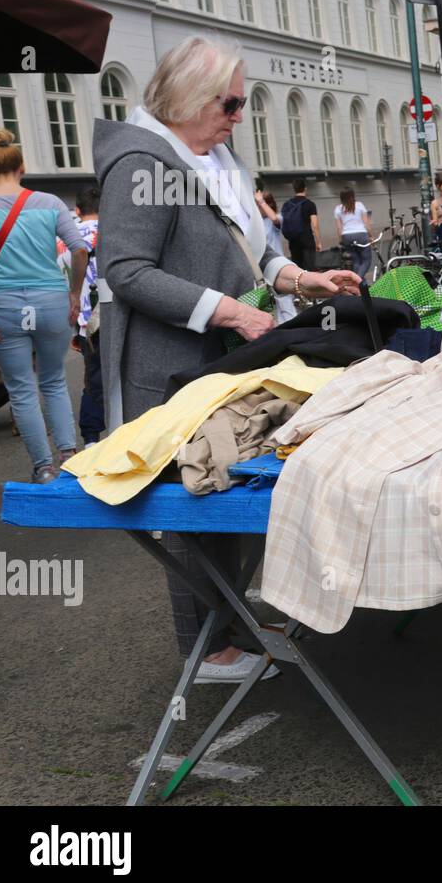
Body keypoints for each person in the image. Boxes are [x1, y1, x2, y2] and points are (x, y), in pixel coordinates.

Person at [94, 36, 360, 682]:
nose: (240, 116)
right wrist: (230, 310)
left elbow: (253, 251)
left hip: (217, 359)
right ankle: (206, 648)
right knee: (190, 498)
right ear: (187, 96)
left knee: (223, 484)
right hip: (170, 363)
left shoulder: (209, 152)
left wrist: (302, 279)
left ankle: (232, 620)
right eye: (231, 103)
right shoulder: (140, 161)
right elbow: (126, 270)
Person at [0, 129, 89, 482]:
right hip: (50, 300)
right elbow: (79, 249)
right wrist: (74, 293)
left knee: (21, 387)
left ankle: (44, 467)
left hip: (0, 304)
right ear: (22, 166)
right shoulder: (50, 202)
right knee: (54, 381)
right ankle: (70, 455)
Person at [56, 184, 105, 446]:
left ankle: (91, 439)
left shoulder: (63, 243)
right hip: (120, 318)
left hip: (86, 324)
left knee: (93, 381)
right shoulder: (116, 233)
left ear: (77, 210)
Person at [256, 188, 297, 321]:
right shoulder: (255, 222)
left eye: (259, 205)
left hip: (279, 269)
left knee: (286, 304)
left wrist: (261, 201)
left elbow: (274, 218)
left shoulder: (276, 218)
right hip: (261, 269)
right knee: (270, 308)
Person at [279, 179, 320, 271]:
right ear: (305, 189)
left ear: (294, 189)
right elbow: (315, 225)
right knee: (309, 268)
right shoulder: (310, 204)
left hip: (293, 240)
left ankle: (299, 285)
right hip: (307, 240)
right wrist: (318, 242)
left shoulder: (287, 204)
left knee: (297, 270)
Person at [334, 185, 373, 278]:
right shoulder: (360, 205)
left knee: (356, 262)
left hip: (346, 237)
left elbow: (339, 228)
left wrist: (341, 240)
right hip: (361, 235)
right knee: (366, 261)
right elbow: (366, 224)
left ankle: (360, 287)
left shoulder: (338, 209)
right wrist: (371, 236)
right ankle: (358, 281)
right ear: (353, 195)